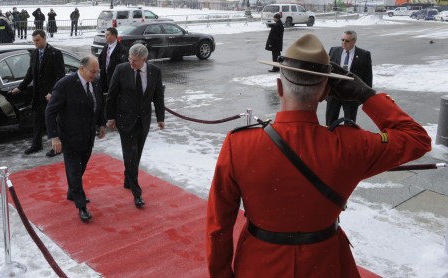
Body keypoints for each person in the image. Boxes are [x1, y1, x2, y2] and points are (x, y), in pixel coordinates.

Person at [206, 33, 431, 277]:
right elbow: (417, 139)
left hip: (259, 264)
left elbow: (218, 227)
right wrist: (366, 94)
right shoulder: (351, 145)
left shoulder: (239, 144)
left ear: (279, 87)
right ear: (326, 94)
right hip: (326, 264)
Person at [45, 55, 106, 222]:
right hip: (69, 136)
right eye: (92, 71)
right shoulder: (65, 84)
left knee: (81, 167)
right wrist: (54, 136)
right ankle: (81, 206)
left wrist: (101, 124)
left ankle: (72, 192)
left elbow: (99, 103)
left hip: (88, 135)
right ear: (81, 69)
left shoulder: (95, 82)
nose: (95, 75)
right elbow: (50, 112)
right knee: (74, 169)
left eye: (97, 71)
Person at [106, 44, 165, 208]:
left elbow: (158, 96)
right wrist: (110, 117)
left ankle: (128, 179)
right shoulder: (121, 69)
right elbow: (111, 95)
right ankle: (136, 191)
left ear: (144, 59)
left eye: (135, 61)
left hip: (144, 119)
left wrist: (160, 117)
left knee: (136, 153)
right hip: (125, 119)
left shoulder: (155, 71)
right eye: (129, 59)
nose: (131, 63)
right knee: (129, 153)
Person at [11, 29, 65, 157]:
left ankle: (57, 147)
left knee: (52, 121)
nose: (35, 43)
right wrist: (20, 87)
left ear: (44, 38)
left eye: (38, 40)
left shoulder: (55, 53)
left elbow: (60, 76)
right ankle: (36, 144)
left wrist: (53, 92)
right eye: (34, 40)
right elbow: (31, 72)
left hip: (50, 95)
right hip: (37, 94)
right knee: (37, 120)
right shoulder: (34, 53)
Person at [325, 30, 373, 126]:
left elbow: (367, 77)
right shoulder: (333, 51)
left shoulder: (364, 55)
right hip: (333, 95)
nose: (343, 42)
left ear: (354, 41)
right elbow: (326, 71)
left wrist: (365, 96)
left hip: (351, 96)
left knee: (350, 125)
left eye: (347, 41)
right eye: (342, 40)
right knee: (330, 124)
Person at [98, 27, 124, 94]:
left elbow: (122, 64)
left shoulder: (121, 48)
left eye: (107, 35)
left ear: (114, 36)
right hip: (104, 77)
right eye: (105, 35)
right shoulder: (106, 46)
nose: (105, 36)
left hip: (114, 78)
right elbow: (101, 59)